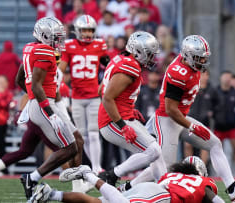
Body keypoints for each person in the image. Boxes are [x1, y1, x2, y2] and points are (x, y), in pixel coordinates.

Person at [126, 35, 235, 201]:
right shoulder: (178, 72)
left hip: (181, 118)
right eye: (198, 57)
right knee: (164, 168)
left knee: (215, 144)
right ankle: (133, 191)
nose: (202, 61)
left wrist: (188, 124)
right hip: (167, 119)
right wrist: (191, 126)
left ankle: (232, 188)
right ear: (187, 55)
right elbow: (170, 109)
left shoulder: (190, 65)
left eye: (204, 58)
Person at [17, 16, 78, 199]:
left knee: (76, 142)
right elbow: (36, 86)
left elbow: (19, 79)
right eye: (56, 37)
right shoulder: (44, 51)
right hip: (45, 104)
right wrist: (48, 111)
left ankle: (79, 180)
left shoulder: (31, 48)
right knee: (69, 148)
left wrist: (33, 98)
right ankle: (32, 178)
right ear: (44, 35)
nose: (59, 41)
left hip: (42, 102)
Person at [96, 31, 166, 186]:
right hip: (113, 121)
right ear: (138, 51)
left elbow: (101, 90)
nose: (151, 58)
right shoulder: (130, 66)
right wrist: (122, 125)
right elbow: (107, 97)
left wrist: (126, 107)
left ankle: (163, 189)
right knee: (153, 151)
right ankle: (112, 174)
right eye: (149, 54)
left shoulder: (120, 59)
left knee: (157, 152)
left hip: (120, 115)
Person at [30, 157, 225, 203]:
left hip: (153, 190)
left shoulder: (172, 175)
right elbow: (216, 201)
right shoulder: (203, 183)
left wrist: (127, 187)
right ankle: (88, 173)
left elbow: (151, 172)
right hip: (161, 196)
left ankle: (50, 194)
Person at [58, 15, 110, 174]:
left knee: (94, 133)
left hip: (94, 95)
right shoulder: (70, 46)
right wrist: (60, 84)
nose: (88, 34)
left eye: (90, 30)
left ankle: (96, 167)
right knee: (83, 136)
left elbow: (110, 66)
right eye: (85, 30)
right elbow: (61, 70)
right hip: (77, 97)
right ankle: (93, 165)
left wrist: (104, 83)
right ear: (78, 31)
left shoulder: (99, 45)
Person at [214, 71, 235, 175]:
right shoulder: (216, 91)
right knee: (216, 149)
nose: (227, 79)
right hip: (219, 125)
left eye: (229, 77)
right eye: (225, 77)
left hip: (231, 126)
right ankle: (218, 170)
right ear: (221, 78)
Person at [185, 70, 216, 165]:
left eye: (205, 74)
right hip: (190, 122)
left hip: (205, 122)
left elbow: (218, 104)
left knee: (204, 146)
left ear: (208, 76)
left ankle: (202, 169)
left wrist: (211, 112)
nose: (202, 76)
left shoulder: (212, 90)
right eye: (201, 74)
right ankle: (189, 168)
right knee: (188, 145)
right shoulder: (191, 87)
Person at [0, 75, 13, 175]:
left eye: (2, 82)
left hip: (0, 124)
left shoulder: (8, 94)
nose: (0, 84)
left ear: (7, 83)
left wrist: (0, 94)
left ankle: (1, 169)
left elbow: (5, 105)